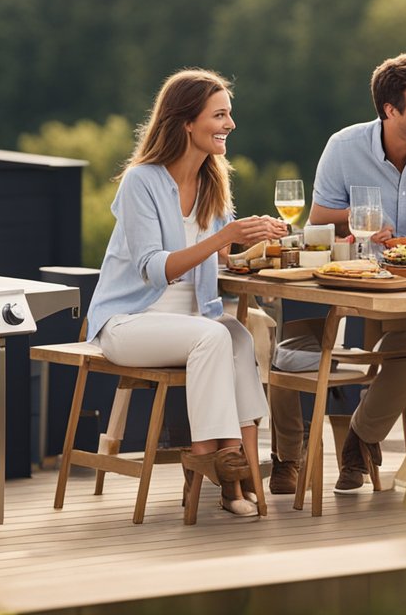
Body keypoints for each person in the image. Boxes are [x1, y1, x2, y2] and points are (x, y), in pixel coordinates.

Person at [268, 52, 406, 495]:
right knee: (290, 342)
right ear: (390, 111)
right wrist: (357, 216)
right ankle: (287, 458)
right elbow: (317, 218)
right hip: (350, 279)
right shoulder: (344, 146)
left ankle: (361, 439)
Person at [86, 69, 284, 517]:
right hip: (127, 322)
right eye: (219, 115)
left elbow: (207, 263)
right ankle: (216, 459)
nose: (230, 124)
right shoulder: (142, 181)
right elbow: (155, 269)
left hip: (191, 323)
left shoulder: (213, 182)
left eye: (229, 115)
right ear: (185, 123)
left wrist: (249, 250)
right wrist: (224, 236)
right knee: (212, 336)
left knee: (236, 335)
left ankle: (240, 471)